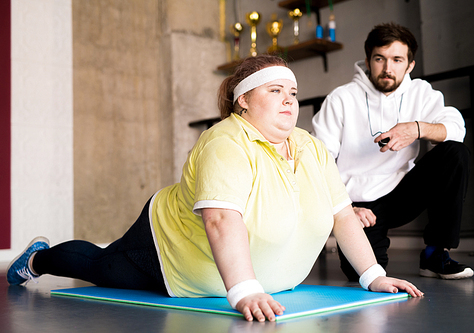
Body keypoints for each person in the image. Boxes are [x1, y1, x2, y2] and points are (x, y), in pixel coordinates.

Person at [7, 54, 423, 322]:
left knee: (105, 264)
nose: (289, 101)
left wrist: (374, 276)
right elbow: (222, 219)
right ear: (243, 101)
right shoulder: (225, 140)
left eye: (292, 93)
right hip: (174, 247)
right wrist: (243, 291)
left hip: (253, 272)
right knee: (101, 268)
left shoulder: (310, 147)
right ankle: (39, 259)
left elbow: (342, 215)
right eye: (274, 91)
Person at [312, 23, 474, 282]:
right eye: (380, 59)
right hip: (358, 202)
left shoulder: (420, 92)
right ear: (367, 60)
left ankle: (435, 253)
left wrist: (416, 129)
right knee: (361, 275)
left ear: (409, 65)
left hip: (402, 193)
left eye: (397, 60)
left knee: (455, 152)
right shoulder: (341, 99)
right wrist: (344, 207)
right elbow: (318, 161)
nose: (388, 69)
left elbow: (456, 128)